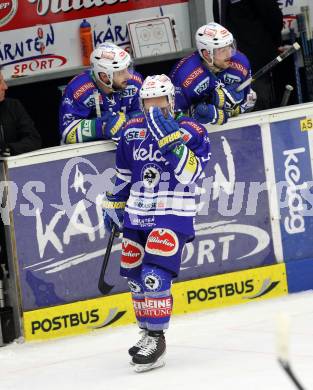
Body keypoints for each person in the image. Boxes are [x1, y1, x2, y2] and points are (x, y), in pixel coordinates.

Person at [102, 74, 211, 372]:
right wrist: (114, 201)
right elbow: (125, 174)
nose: (154, 106)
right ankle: (147, 331)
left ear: (171, 101)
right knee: (136, 277)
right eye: (148, 100)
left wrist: (172, 143)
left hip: (173, 212)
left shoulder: (191, 131)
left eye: (160, 100)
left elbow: (192, 174)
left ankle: (157, 338)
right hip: (137, 212)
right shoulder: (131, 131)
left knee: (154, 275)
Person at [0, 67, 42, 281]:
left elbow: (34, 139)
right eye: (0, 82)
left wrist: (10, 149)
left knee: (17, 245)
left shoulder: (13, 107)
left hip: (15, 190)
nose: (5, 86)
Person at [170, 22, 254, 125]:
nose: (229, 54)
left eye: (230, 46)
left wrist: (236, 109)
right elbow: (172, 117)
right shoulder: (183, 75)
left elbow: (250, 99)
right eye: (222, 50)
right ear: (206, 54)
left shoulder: (241, 62)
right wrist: (196, 115)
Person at [59, 42, 143, 144]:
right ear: (104, 77)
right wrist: (102, 127)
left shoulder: (134, 82)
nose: (129, 76)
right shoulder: (78, 89)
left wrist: (128, 121)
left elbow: (143, 115)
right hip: (87, 153)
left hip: (126, 146)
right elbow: (67, 132)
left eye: (128, 68)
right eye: (121, 72)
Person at [213, 0, 283, 110]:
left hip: (256, 62)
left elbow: (272, 15)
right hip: (231, 64)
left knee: (260, 106)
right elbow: (221, 22)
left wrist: (275, 43)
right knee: (237, 108)